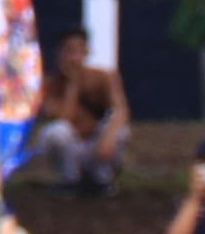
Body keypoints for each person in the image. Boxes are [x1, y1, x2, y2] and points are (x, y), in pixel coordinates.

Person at [25, 30, 131, 194]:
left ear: (87, 52)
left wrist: (108, 139)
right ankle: (70, 180)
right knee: (54, 133)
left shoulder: (104, 77)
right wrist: (73, 85)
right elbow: (64, 118)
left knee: (121, 131)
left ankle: (102, 180)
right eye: (68, 52)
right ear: (59, 55)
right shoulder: (50, 85)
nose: (74, 58)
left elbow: (121, 110)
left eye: (78, 52)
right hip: (73, 149)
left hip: (98, 147)